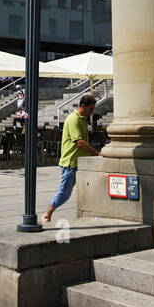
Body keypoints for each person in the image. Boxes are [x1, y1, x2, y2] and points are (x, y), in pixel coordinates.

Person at [41, 95, 101, 223]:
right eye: (91, 109)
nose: (92, 112)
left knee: (89, 189)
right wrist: (96, 153)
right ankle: (48, 213)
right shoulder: (74, 119)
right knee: (65, 193)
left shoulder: (83, 119)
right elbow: (79, 142)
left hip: (82, 163)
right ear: (83, 106)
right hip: (71, 163)